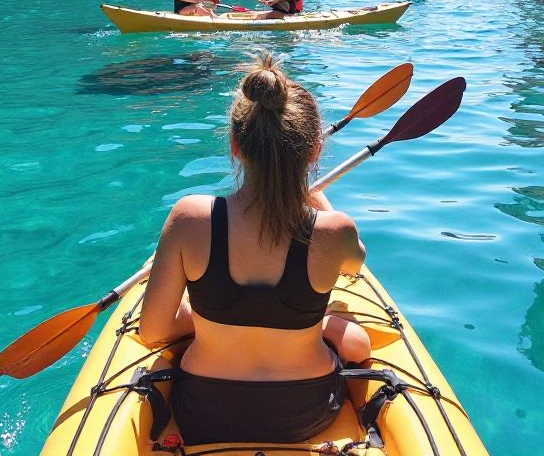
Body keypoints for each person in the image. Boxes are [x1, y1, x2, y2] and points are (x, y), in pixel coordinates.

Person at [139, 55, 371, 446]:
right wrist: (323, 206)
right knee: (355, 340)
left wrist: (215, 320)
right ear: (314, 152)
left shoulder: (189, 219)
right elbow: (356, 265)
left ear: (235, 145)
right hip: (307, 413)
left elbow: (153, 332)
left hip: (204, 411)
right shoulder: (335, 230)